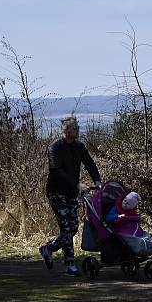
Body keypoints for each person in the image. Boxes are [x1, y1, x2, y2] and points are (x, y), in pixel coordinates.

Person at [39, 116, 102, 276]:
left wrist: (97, 181)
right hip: (56, 193)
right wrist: (77, 184)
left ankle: (49, 248)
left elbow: (89, 163)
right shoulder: (54, 148)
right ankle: (69, 264)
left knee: (73, 228)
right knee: (66, 228)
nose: (78, 130)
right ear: (66, 130)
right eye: (74, 128)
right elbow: (57, 171)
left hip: (71, 194)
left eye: (77, 127)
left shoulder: (79, 146)